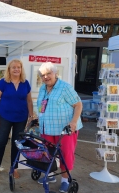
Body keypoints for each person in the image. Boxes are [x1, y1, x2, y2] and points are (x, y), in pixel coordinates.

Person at [36, 62, 83, 193]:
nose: (46, 77)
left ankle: (65, 180)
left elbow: (78, 105)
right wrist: (38, 117)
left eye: (48, 73)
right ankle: (50, 176)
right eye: (43, 75)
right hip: (47, 128)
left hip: (65, 130)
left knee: (65, 155)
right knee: (47, 153)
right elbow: (42, 106)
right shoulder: (42, 89)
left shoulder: (64, 87)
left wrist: (73, 122)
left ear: (55, 73)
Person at [0, 59, 34, 178]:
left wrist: (31, 116)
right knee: (1, 142)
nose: (16, 69)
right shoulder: (3, 82)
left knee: (17, 143)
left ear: (21, 69)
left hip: (21, 118)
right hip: (5, 117)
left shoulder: (25, 83)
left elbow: (29, 100)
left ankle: (14, 168)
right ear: (9, 69)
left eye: (18, 67)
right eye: (13, 67)